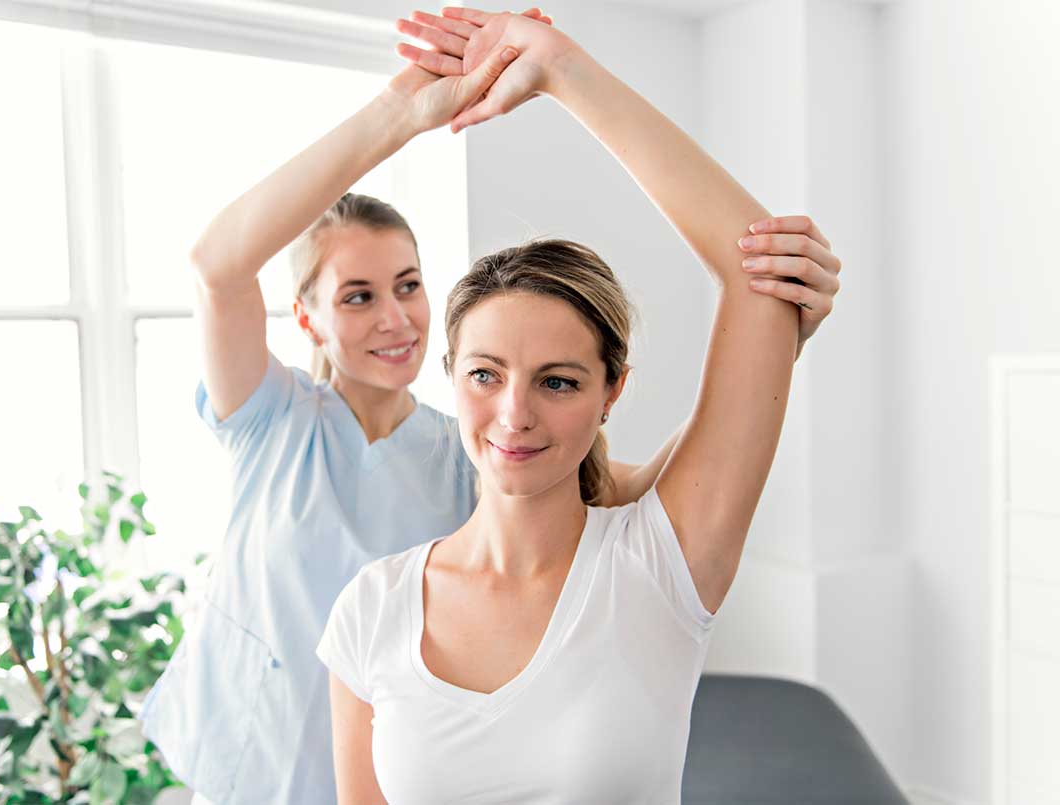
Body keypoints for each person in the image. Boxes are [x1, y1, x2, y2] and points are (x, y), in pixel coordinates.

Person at [139, 8, 842, 805]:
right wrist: (402, 114)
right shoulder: (299, 468)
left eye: (560, 381)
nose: (515, 414)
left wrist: (771, 344)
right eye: (485, 374)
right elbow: (215, 266)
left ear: (611, 389)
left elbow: (696, 460)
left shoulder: (571, 520)